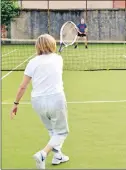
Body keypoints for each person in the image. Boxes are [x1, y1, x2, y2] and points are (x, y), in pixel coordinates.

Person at [10, 34, 70, 169]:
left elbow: (22, 86)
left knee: (52, 130)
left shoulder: (32, 62)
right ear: (52, 44)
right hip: (56, 99)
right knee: (61, 132)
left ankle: (58, 156)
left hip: (37, 101)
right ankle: (43, 153)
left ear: (37, 46)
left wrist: (15, 104)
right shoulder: (58, 59)